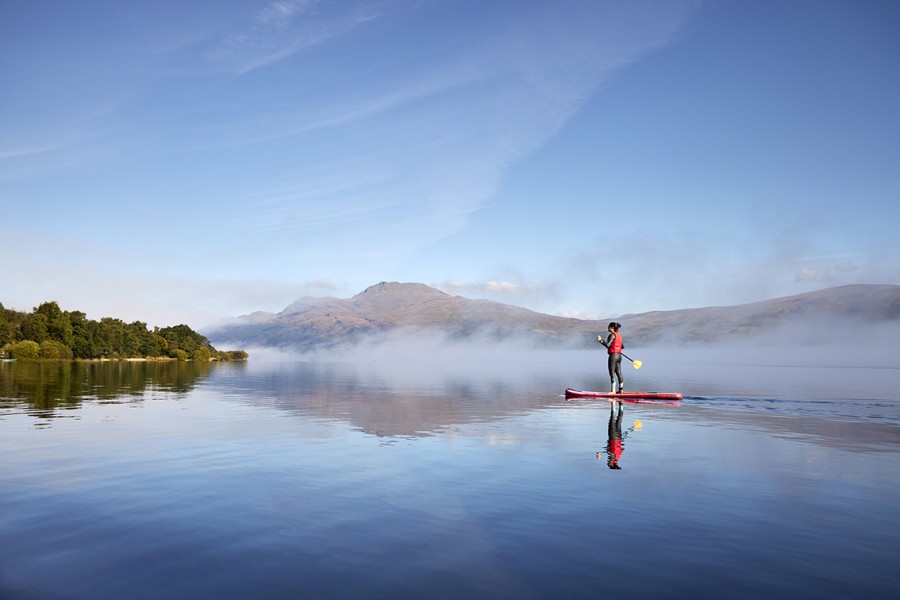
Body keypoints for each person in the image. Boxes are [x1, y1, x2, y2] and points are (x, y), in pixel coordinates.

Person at [597, 321, 624, 394]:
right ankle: (621, 390)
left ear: (612, 328)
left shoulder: (612, 335)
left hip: (613, 356)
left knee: (612, 373)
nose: (607, 328)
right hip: (619, 356)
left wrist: (600, 341)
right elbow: (622, 346)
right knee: (619, 373)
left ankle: (613, 391)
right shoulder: (619, 336)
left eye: (608, 327)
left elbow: (608, 345)